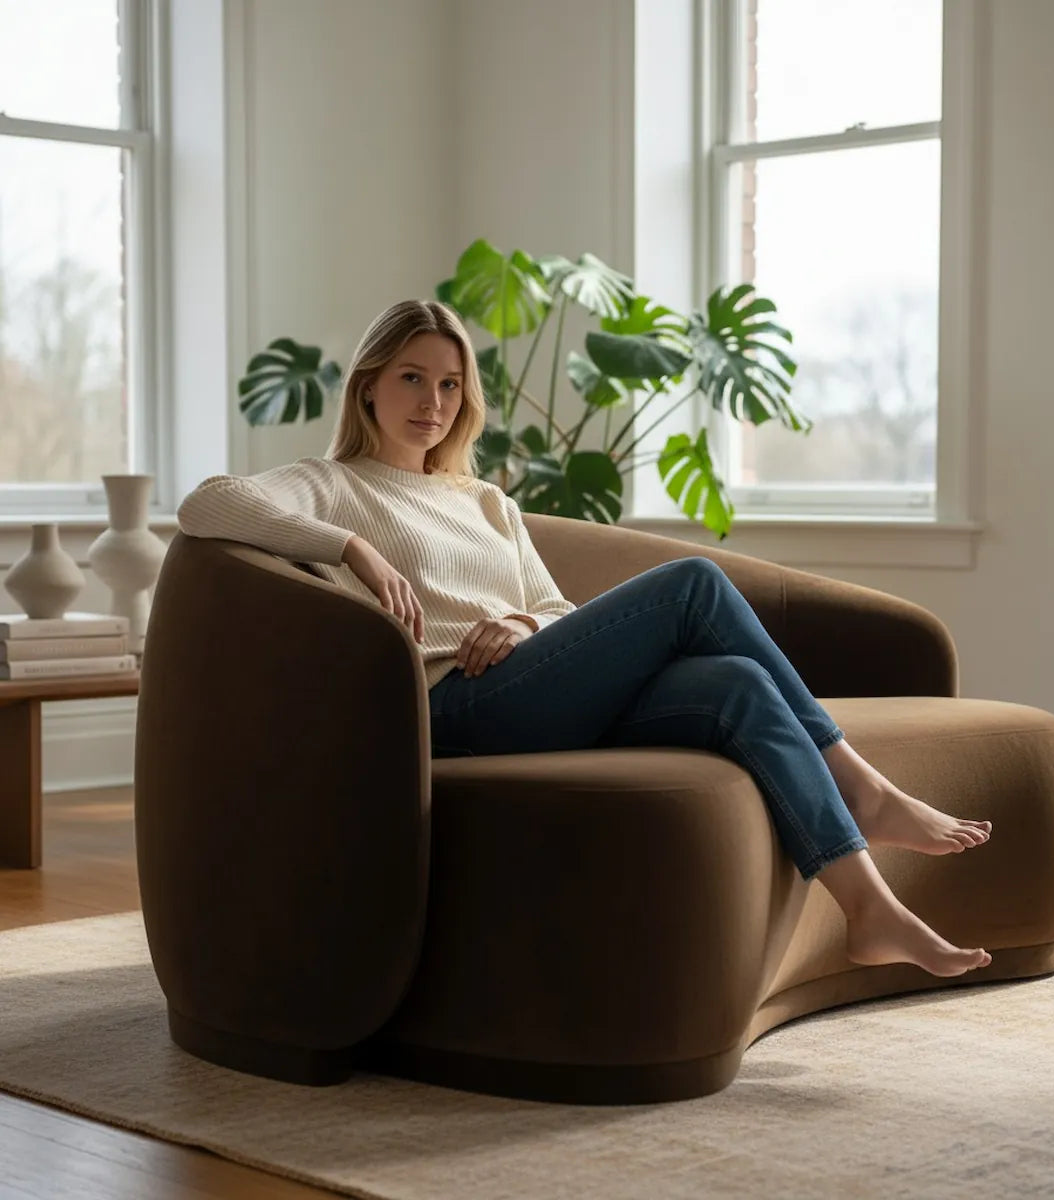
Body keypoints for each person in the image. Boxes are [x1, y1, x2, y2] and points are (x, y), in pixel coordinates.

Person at [178, 299, 994, 979]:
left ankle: (869, 909)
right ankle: (859, 784)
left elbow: (557, 606)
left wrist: (521, 622)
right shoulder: (329, 484)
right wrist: (351, 546)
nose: (433, 402)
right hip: (451, 708)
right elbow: (206, 504)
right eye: (412, 379)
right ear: (368, 387)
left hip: (528, 682)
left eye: (451, 385)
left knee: (739, 682)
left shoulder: (486, 501)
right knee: (696, 587)